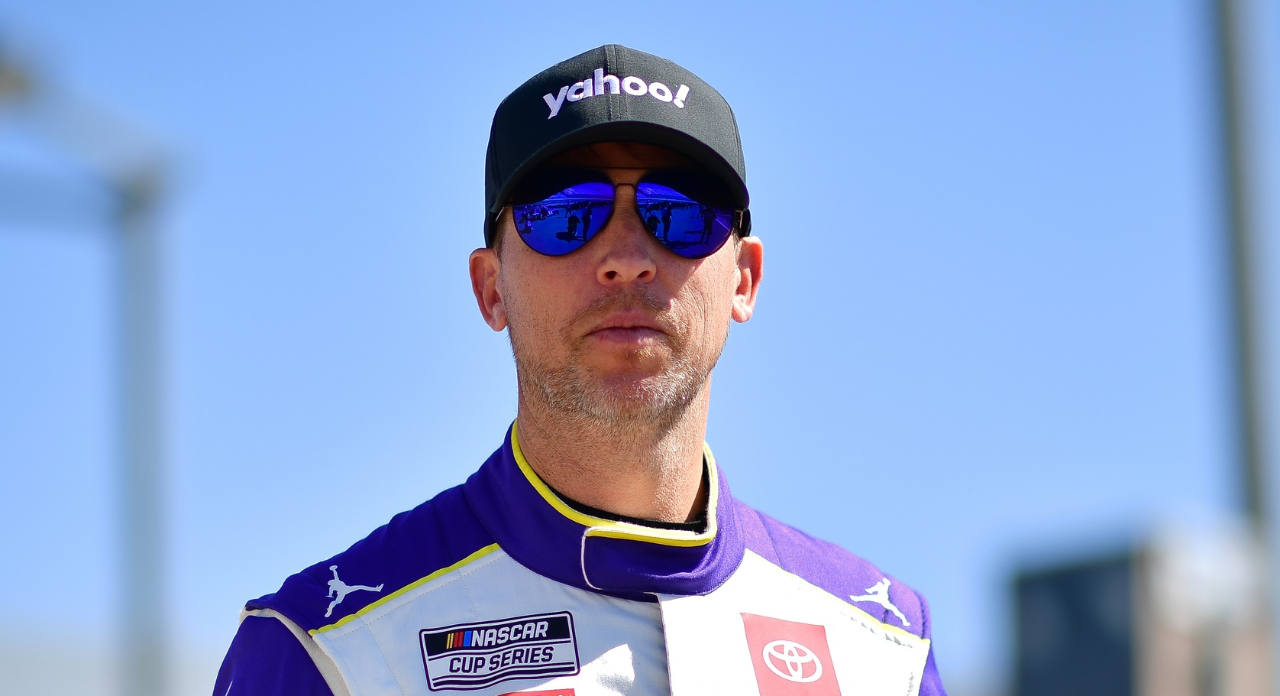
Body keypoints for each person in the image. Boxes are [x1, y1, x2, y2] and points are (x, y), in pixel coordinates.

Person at [213, 44, 947, 696]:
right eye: (567, 214)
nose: (626, 254)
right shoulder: (327, 652)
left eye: (681, 212)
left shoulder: (883, 650)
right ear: (490, 287)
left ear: (745, 279)